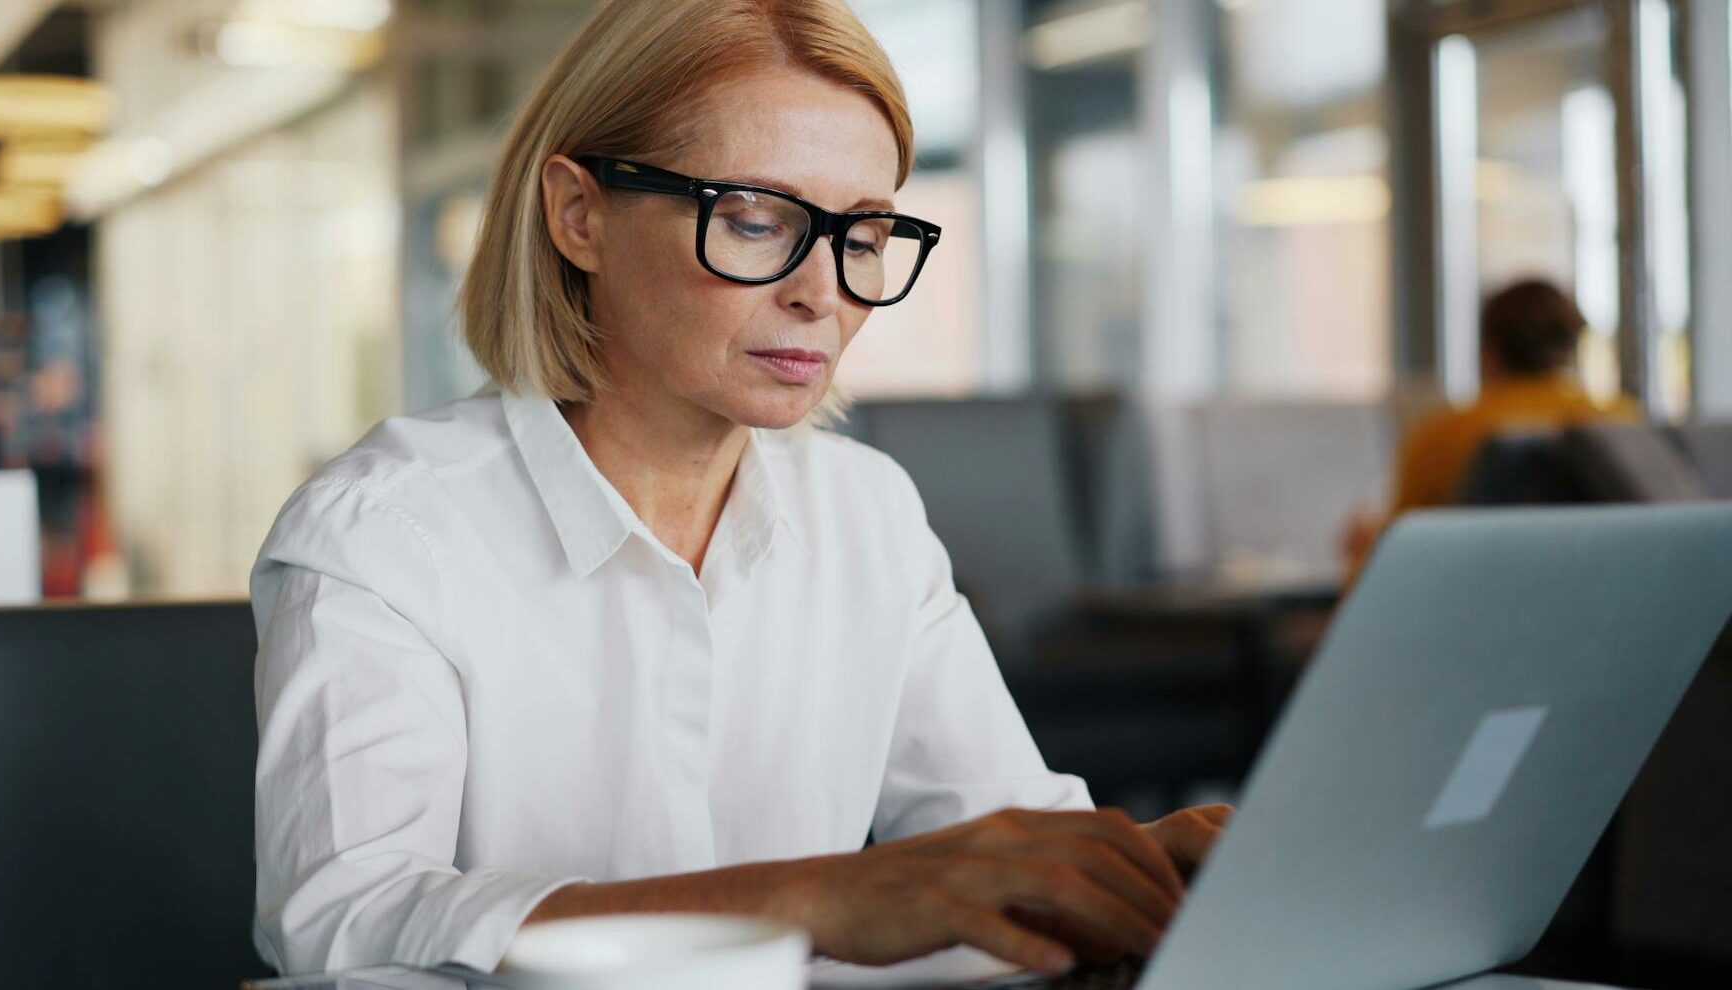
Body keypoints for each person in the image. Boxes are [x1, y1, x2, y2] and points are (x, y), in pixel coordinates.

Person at [249, 0, 1228, 979]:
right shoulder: (387, 530)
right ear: (579, 215)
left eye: (865, 235)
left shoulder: (865, 513)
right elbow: (343, 920)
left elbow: (1000, 854)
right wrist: (811, 900)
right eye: (757, 220)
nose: (824, 292)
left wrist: (1138, 877)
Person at [1341, 279, 1640, 577]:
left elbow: (1399, 550)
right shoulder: (1624, 424)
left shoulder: (1445, 432)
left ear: (1489, 351)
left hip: (1476, 602)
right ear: (1572, 347)